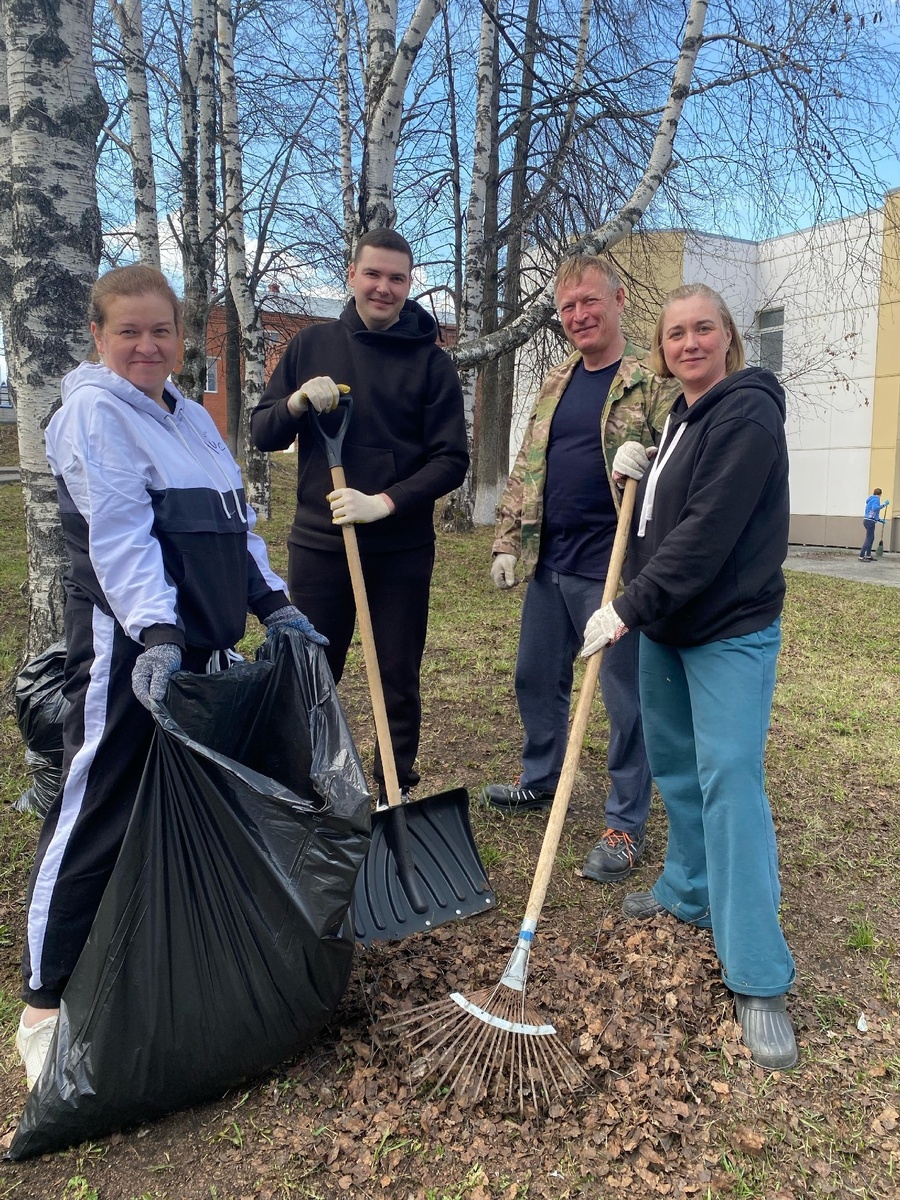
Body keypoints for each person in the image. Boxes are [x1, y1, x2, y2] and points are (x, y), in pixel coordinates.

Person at [16, 264, 324, 1090]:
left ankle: (184, 944)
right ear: (98, 336)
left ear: (182, 341)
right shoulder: (91, 412)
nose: (148, 346)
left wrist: (275, 605)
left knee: (196, 796)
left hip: (202, 647)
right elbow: (120, 534)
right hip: (129, 650)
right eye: (130, 332)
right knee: (99, 802)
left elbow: (235, 524)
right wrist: (155, 635)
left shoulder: (188, 417)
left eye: (162, 332)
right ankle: (43, 1005)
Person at [581, 283, 798, 1070]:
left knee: (731, 777)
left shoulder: (746, 412)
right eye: (675, 333)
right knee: (676, 767)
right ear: (663, 348)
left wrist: (625, 608)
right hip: (668, 630)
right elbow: (654, 521)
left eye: (703, 328)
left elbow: (706, 535)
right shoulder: (681, 416)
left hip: (727, 630)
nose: (689, 343)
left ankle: (760, 974)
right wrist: (629, 472)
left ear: (729, 337)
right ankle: (688, 889)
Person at [251, 229, 467, 798]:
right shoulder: (310, 346)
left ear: (409, 283)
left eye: (397, 277)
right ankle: (301, 789)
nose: (384, 287)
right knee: (313, 675)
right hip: (320, 547)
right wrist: (295, 402)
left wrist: (386, 502)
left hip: (400, 553)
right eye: (373, 274)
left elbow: (451, 461)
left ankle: (395, 791)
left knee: (396, 678)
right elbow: (262, 431)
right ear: (352, 275)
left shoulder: (432, 364)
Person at [484, 254, 677, 883]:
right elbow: (526, 465)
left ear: (619, 300)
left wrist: (645, 459)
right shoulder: (556, 381)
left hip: (615, 571)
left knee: (625, 700)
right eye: (568, 308)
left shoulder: (652, 382)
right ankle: (539, 777)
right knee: (535, 677)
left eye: (590, 302)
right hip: (552, 563)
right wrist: (506, 541)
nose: (579, 316)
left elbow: (683, 462)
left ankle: (625, 822)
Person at [859, 488, 888, 561]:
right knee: (869, 539)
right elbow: (875, 508)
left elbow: (872, 512)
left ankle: (868, 555)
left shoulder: (871, 499)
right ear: (880, 494)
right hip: (870, 522)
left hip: (867, 520)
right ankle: (861, 556)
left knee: (871, 538)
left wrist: (879, 520)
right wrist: (884, 505)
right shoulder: (876, 499)